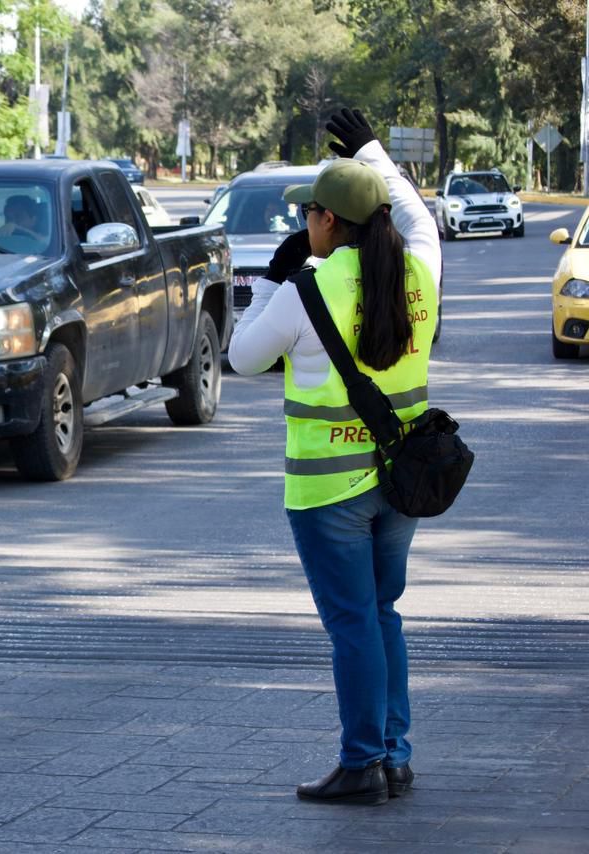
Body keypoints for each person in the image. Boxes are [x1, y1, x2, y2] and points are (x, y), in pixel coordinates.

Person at [228, 108, 440, 806]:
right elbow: (421, 222)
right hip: (401, 481)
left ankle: (360, 764)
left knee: (353, 623)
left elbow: (242, 356)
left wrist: (268, 279)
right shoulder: (419, 275)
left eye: (309, 212)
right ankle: (395, 756)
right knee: (382, 614)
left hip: (329, 494)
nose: (303, 223)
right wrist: (376, 154)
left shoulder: (303, 292)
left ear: (327, 221)